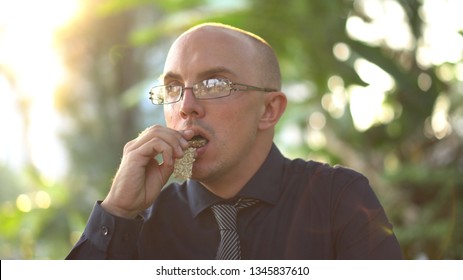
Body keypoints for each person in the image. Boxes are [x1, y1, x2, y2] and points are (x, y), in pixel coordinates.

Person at [66, 22, 402, 260]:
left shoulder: (338, 200)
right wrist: (116, 212)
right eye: (172, 88)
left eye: (213, 84)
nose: (186, 107)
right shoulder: (141, 224)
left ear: (269, 110)